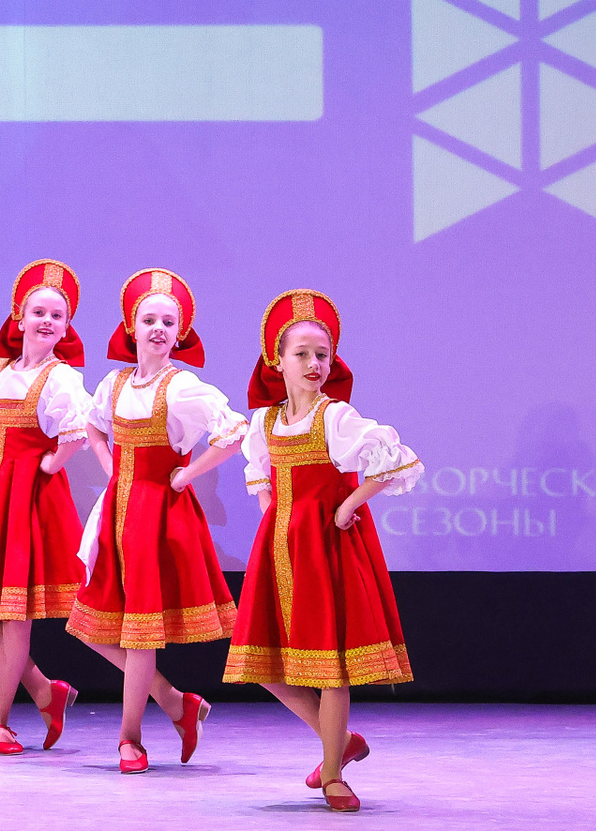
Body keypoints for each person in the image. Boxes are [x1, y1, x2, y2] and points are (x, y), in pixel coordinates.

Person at [224, 290, 420, 813]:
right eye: (302, 354)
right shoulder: (264, 423)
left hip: (326, 549)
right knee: (264, 664)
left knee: (331, 665)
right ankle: (342, 741)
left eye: (323, 354)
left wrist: (347, 504)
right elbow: (261, 480)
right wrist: (274, 518)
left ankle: (333, 772)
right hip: (282, 548)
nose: (314, 364)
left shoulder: (335, 417)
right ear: (277, 360)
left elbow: (394, 461)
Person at [66, 268, 246, 774]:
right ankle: (172, 700)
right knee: (90, 624)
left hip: (156, 514)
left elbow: (234, 432)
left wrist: (188, 472)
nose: (159, 329)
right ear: (132, 325)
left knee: (139, 632)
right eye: (149, 320)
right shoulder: (115, 382)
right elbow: (94, 428)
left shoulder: (182, 386)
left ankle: (130, 739)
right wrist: (110, 467)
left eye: (169, 322)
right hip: (117, 511)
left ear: (180, 332)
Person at [0, 260, 92, 753]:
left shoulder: (60, 377)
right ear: (19, 318)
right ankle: (45, 690)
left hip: (29, 499)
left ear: (66, 328)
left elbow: (77, 431)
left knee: (14, 617)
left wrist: (51, 464)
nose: (47, 321)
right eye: (38, 312)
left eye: (57, 316)